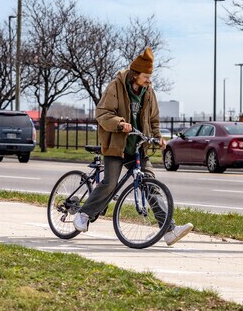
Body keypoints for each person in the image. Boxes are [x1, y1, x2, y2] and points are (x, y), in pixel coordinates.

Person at [73, 46, 193, 246]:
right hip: (116, 145)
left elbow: (154, 118)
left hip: (137, 147)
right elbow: (102, 113)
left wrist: (157, 137)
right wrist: (119, 123)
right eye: (146, 76)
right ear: (135, 74)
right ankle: (83, 214)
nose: (149, 80)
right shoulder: (116, 86)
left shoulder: (148, 92)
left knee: (150, 184)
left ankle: (169, 230)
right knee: (110, 183)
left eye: (150, 77)